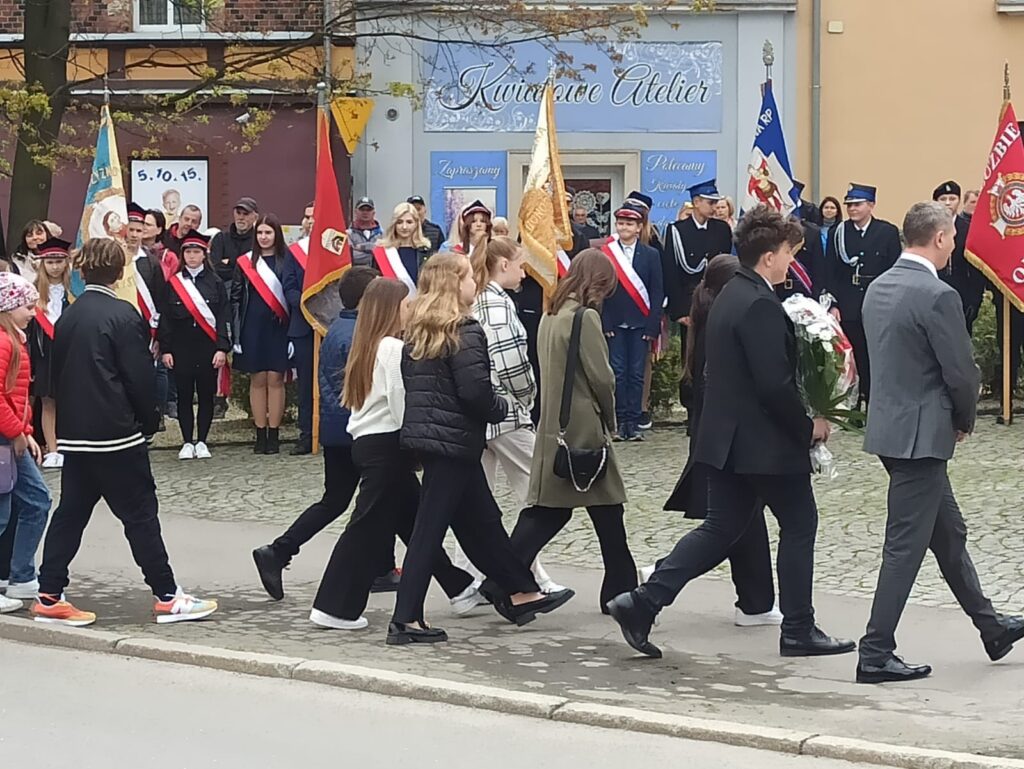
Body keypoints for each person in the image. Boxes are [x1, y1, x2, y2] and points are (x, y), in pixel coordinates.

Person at [606, 205, 856, 661]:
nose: (790, 262)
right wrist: (810, 427)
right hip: (762, 445)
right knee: (800, 524)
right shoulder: (758, 302)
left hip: (726, 440)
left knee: (720, 530)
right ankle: (799, 627)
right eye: (787, 253)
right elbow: (773, 384)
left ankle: (642, 602)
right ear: (768, 256)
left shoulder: (731, 295)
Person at [856, 201, 1024, 683]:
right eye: (951, 236)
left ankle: (990, 627)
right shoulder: (937, 294)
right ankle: (875, 651)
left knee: (948, 534)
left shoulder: (879, 287)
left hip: (891, 428)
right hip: (923, 435)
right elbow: (961, 374)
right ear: (940, 238)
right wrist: (964, 420)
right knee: (905, 546)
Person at [31, 238, 217, 626]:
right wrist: (148, 421)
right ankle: (166, 594)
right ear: (120, 273)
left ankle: (49, 592)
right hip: (116, 433)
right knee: (140, 515)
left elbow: (56, 376)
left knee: (71, 513)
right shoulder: (123, 314)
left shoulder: (69, 316)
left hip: (76, 434)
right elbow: (139, 378)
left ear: (81, 270)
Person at [391, 253, 574, 644]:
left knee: (484, 523)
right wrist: (502, 406)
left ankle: (520, 591)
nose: (475, 282)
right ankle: (405, 618)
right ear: (454, 285)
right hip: (455, 439)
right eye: (468, 278)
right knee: (429, 529)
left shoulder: (418, 331)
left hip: (435, 438)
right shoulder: (465, 329)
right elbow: (475, 391)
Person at [309, 277, 479, 629]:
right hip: (386, 445)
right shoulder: (390, 348)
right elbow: (401, 403)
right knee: (366, 527)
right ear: (391, 310)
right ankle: (333, 607)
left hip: (368, 442)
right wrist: (417, 442)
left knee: (415, 523)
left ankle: (459, 586)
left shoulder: (367, 343)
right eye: (406, 305)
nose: (411, 310)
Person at [483, 249, 638, 615]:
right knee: (607, 511)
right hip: (583, 427)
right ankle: (621, 594)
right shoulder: (584, 318)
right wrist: (611, 420)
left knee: (548, 512)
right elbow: (602, 377)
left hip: (554, 422)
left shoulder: (552, 315)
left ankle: (500, 579)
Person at [252, 267, 388, 600]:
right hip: (354, 431)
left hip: (338, 428)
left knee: (355, 500)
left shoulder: (340, 327)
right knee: (373, 499)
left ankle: (382, 567)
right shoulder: (357, 334)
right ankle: (280, 551)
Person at [662, 254, 781, 627]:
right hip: (727, 435)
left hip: (717, 433)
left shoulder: (710, 318)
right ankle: (660, 577)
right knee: (725, 527)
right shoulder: (722, 322)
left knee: (741, 521)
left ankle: (756, 601)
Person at [465, 236, 565, 595]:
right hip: (505, 413)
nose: (525, 272)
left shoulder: (483, 300)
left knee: (479, 501)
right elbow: (510, 363)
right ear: (503, 265)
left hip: (484, 414)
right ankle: (529, 573)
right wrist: (528, 398)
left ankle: (474, 578)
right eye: (521, 264)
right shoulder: (495, 305)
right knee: (540, 490)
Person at [823, 183, 902, 407]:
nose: (852, 209)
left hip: (877, 300)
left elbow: (893, 268)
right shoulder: (838, 232)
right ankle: (858, 398)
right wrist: (834, 303)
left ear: (871, 205)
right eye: (849, 205)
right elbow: (832, 270)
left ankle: (875, 398)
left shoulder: (887, 232)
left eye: (857, 204)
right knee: (854, 353)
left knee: (876, 352)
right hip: (848, 302)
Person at [0, 272, 51, 612]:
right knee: (15, 508)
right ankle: (19, 575)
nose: (33, 312)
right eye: (27, 306)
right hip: (6, 437)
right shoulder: (5, 342)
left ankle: (20, 576)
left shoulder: (13, 339)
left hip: (12, 435)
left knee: (32, 502)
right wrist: (18, 431)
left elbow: (17, 395)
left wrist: (25, 431)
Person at [662, 180, 733, 416]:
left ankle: (715, 402)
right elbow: (672, 272)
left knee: (719, 352)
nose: (714, 207)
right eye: (709, 202)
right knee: (691, 355)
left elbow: (725, 268)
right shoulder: (677, 230)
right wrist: (679, 310)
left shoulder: (721, 229)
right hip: (691, 303)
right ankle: (692, 408)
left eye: (715, 202)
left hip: (718, 300)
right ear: (696, 203)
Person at [159, 232, 230, 460]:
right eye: (188, 252)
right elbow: (166, 319)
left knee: (207, 395)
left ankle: (202, 441)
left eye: (196, 252)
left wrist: (222, 347)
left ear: (203, 255)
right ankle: (187, 440)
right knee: (184, 395)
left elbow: (223, 317)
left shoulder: (216, 282)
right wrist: (166, 349)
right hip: (181, 348)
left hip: (207, 348)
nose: (191, 256)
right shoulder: (174, 283)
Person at [601, 201, 663, 442]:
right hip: (615, 322)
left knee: (636, 374)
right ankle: (617, 422)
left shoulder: (651, 254)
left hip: (640, 323)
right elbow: (602, 290)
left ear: (639, 228)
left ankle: (634, 422)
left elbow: (657, 291)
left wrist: (652, 324)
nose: (624, 227)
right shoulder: (608, 253)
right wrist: (605, 322)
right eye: (620, 223)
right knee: (616, 373)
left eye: (629, 223)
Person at [232, 213, 291, 454]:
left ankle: (274, 434)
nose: (264, 237)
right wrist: (235, 334)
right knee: (257, 379)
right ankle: (260, 433)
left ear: (277, 234)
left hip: (280, 326)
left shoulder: (288, 260)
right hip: (252, 327)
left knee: (275, 379)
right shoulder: (244, 262)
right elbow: (235, 298)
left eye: (268, 232)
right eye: (260, 233)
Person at [28, 238, 72, 469]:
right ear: (42, 264)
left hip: (69, 354)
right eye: (50, 262)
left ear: (66, 263)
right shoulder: (33, 292)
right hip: (44, 354)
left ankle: (67, 445)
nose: (54, 266)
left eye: (58, 261)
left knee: (70, 402)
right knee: (47, 402)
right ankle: (52, 449)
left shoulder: (73, 291)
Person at [282, 206, 316, 456]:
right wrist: (307, 306)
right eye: (307, 217)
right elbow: (289, 287)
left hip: (330, 326)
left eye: (316, 217)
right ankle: (307, 434)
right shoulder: (295, 252)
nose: (311, 221)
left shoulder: (336, 248)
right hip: (304, 326)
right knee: (306, 385)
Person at [933, 181, 985, 333]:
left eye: (952, 198)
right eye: (943, 199)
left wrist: (975, 300)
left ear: (959, 201)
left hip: (962, 294)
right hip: (934, 292)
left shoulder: (969, 229)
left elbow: (977, 267)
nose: (948, 203)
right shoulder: (929, 228)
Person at [372, 202, 432, 296]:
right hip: (390, 304)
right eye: (399, 222)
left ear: (416, 224)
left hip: (419, 305)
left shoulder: (425, 251)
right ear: (394, 224)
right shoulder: (382, 252)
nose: (404, 227)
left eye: (409, 222)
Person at [348, 197, 383, 267]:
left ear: (373, 213)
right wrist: (374, 252)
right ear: (355, 212)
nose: (365, 212)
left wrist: (362, 247)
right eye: (362, 209)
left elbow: (385, 255)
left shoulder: (382, 233)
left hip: (377, 274)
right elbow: (351, 257)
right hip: (356, 273)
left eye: (368, 210)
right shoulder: (348, 233)